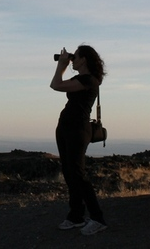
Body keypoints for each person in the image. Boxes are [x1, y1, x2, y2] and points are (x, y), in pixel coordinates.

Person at [50, 44, 107, 235]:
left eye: (76, 56)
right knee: (68, 171)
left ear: (84, 59)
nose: (73, 59)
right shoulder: (81, 78)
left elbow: (55, 85)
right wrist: (65, 63)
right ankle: (76, 215)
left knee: (77, 172)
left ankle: (97, 218)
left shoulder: (89, 80)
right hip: (66, 127)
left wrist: (62, 65)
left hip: (78, 129)